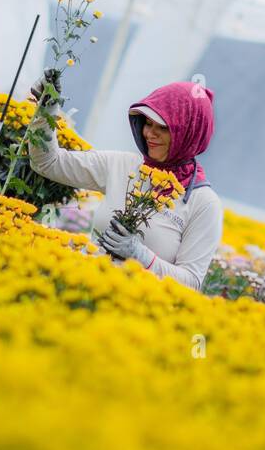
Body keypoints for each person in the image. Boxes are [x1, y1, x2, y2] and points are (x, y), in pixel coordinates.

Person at [27, 78, 223, 292]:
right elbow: (48, 163)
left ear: (189, 133)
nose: (149, 133)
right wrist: (46, 111)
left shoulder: (203, 203)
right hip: (83, 291)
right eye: (148, 123)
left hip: (136, 313)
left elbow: (191, 283)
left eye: (163, 127)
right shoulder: (123, 166)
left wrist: (141, 256)